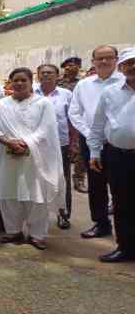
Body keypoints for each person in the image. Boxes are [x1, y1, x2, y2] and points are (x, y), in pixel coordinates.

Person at [0, 67, 65, 250]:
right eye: (16, 80)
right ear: (10, 82)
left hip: (35, 158)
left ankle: (37, 234)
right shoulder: (0, 105)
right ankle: (14, 231)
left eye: (24, 80)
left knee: (36, 194)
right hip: (8, 157)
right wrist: (8, 142)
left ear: (31, 82)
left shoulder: (42, 103)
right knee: (9, 194)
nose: (20, 83)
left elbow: (46, 128)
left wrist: (25, 143)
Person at [69, 45, 124, 239]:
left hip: (119, 143)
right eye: (99, 58)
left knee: (121, 186)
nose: (104, 61)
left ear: (116, 60)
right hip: (91, 142)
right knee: (96, 184)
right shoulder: (84, 85)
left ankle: (125, 231)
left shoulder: (126, 82)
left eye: (109, 57)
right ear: (92, 61)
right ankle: (101, 224)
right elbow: (74, 112)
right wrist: (90, 134)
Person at [88, 47, 135, 262]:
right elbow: (98, 126)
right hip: (118, 155)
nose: (132, 66)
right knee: (121, 203)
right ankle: (125, 247)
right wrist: (95, 152)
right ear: (121, 67)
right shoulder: (110, 93)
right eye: (128, 63)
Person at [35, 64, 77, 230]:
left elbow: (72, 121)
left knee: (61, 179)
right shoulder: (31, 93)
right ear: (38, 75)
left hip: (61, 145)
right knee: (36, 180)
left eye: (50, 72)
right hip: (36, 145)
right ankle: (38, 215)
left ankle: (63, 214)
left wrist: (74, 144)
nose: (46, 75)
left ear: (58, 76)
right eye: (43, 72)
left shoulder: (66, 95)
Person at [58, 57, 87, 194]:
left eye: (73, 65)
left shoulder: (83, 84)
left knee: (80, 150)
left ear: (78, 67)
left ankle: (79, 179)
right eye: (67, 66)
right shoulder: (57, 83)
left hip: (79, 120)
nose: (69, 68)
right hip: (62, 121)